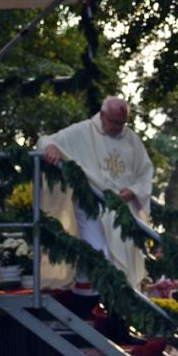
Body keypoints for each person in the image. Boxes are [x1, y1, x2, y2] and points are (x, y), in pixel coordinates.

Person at [37, 96, 153, 310]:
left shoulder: (131, 139)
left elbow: (145, 172)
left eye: (122, 123)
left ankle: (116, 312)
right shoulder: (82, 131)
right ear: (102, 115)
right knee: (98, 254)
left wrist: (133, 192)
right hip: (92, 205)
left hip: (122, 209)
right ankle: (87, 306)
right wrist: (51, 147)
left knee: (123, 262)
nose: (118, 127)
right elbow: (46, 140)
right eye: (114, 122)